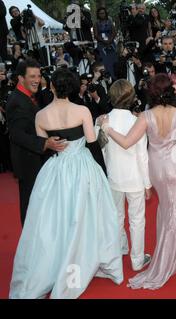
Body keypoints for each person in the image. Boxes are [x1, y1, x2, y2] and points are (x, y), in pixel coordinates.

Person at [98, 73, 176, 290]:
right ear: (169, 91)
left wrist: (108, 129)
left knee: (167, 211)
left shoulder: (146, 116)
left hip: (156, 171)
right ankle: (167, 259)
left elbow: (127, 142)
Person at [9, 68, 123, 299]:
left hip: (55, 170)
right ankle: (83, 259)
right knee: (85, 218)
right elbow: (92, 145)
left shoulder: (40, 115)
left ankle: (54, 262)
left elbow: (47, 148)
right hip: (83, 168)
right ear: (72, 87)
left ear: (51, 86)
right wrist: (103, 173)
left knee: (55, 220)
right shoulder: (82, 110)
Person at [6, 59, 66, 226]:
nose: (37, 80)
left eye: (39, 76)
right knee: (31, 208)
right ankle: (30, 249)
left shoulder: (29, 97)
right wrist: (45, 143)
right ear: (20, 78)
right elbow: (17, 135)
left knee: (39, 207)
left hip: (35, 160)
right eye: (32, 76)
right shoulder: (16, 101)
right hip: (28, 163)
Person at [100, 79, 152, 271]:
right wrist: (147, 184)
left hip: (113, 177)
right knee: (137, 219)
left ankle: (119, 249)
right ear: (131, 98)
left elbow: (103, 152)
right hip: (135, 178)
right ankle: (137, 260)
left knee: (116, 217)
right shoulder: (137, 122)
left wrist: (109, 172)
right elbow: (142, 156)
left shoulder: (103, 121)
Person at [94, 7, 117, 79]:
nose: (102, 15)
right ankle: (107, 77)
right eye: (100, 13)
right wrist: (104, 41)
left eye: (103, 13)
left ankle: (115, 76)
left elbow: (114, 32)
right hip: (101, 45)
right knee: (105, 61)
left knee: (113, 60)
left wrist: (110, 40)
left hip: (111, 43)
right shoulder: (96, 23)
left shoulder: (110, 21)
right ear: (98, 14)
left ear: (105, 13)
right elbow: (96, 35)